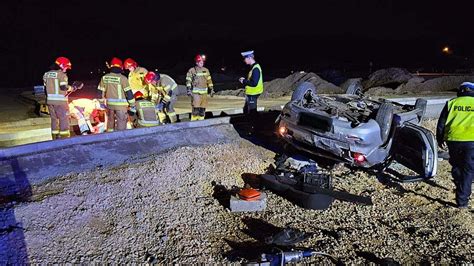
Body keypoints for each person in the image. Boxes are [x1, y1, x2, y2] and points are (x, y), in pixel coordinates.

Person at [436, 81, 474, 209]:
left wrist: (439, 138)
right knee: (468, 169)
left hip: (453, 140)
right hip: (471, 141)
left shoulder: (451, 103)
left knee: (457, 166)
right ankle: (462, 200)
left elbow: (441, 123)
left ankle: (460, 185)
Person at [98, 57, 135, 132]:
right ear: (120, 67)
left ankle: (110, 138)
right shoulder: (123, 78)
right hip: (121, 107)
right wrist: (132, 105)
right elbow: (129, 93)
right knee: (121, 124)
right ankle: (120, 139)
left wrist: (101, 103)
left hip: (109, 105)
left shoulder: (104, 77)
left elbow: (100, 92)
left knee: (110, 122)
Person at [43, 57, 74, 139]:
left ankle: (55, 138)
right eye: (66, 67)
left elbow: (45, 89)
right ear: (61, 65)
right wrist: (72, 88)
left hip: (50, 101)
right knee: (64, 119)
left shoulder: (46, 74)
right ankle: (65, 139)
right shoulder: (61, 75)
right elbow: (63, 87)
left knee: (54, 120)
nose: (67, 69)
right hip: (60, 102)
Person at [186, 54, 214, 121]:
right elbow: (188, 80)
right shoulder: (192, 70)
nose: (202, 63)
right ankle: (193, 124)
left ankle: (201, 123)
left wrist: (212, 89)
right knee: (196, 110)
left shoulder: (206, 70)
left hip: (204, 94)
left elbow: (209, 80)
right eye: (200, 62)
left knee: (202, 110)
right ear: (196, 62)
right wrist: (189, 89)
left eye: (203, 62)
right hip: (196, 94)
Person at [239, 50, 263, 116]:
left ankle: (255, 125)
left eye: (245, 58)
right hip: (251, 94)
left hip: (253, 93)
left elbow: (254, 83)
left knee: (252, 113)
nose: (244, 60)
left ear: (249, 58)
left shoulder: (255, 69)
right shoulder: (253, 68)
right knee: (247, 111)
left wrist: (243, 81)